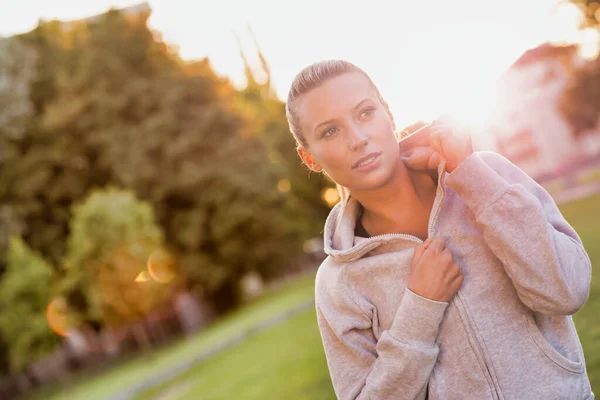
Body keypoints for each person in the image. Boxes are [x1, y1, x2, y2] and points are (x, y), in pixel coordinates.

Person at [285, 59, 594, 400]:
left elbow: (568, 289)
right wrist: (421, 308)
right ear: (310, 158)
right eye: (330, 131)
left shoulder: (486, 175)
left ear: (388, 113)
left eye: (365, 113)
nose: (357, 139)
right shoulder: (338, 283)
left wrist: (474, 180)